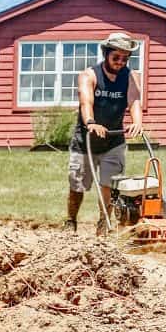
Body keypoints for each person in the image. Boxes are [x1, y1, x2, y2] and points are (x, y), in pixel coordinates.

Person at [65, 31, 143, 234]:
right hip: (85, 142)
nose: (120, 62)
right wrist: (91, 122)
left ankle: (103, 224)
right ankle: (71, 221)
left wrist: (137, 122)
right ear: (106, 54)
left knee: (109, 186)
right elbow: (86, 101)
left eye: (125, 58)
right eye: (116, 57)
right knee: (77, 186)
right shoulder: (88, 75)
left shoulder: (131, 76)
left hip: (114, 142)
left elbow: (134, 101)